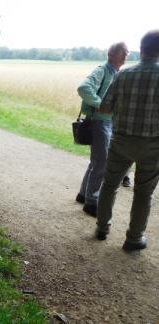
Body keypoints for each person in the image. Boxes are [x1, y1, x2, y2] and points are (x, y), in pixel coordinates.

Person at [95, 30, 159, 251]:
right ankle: (134, 238)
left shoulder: (123, 75)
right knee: (143, 192)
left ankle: (102, 227)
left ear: (141, 50)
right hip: (153, 145)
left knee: (110, 184)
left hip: (121, 141)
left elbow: (104, 107)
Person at [75, 42, 129, 216]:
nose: (126, 56)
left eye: (127, 53)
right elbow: (83, 87)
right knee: (101, 163)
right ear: (111, 54)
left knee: (96, 162)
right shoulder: (103, 70)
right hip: (100, 123)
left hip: (104, 122)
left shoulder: (115, 72)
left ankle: (83, 195)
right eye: (123, 52)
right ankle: (92, 202)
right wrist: (100, 104)